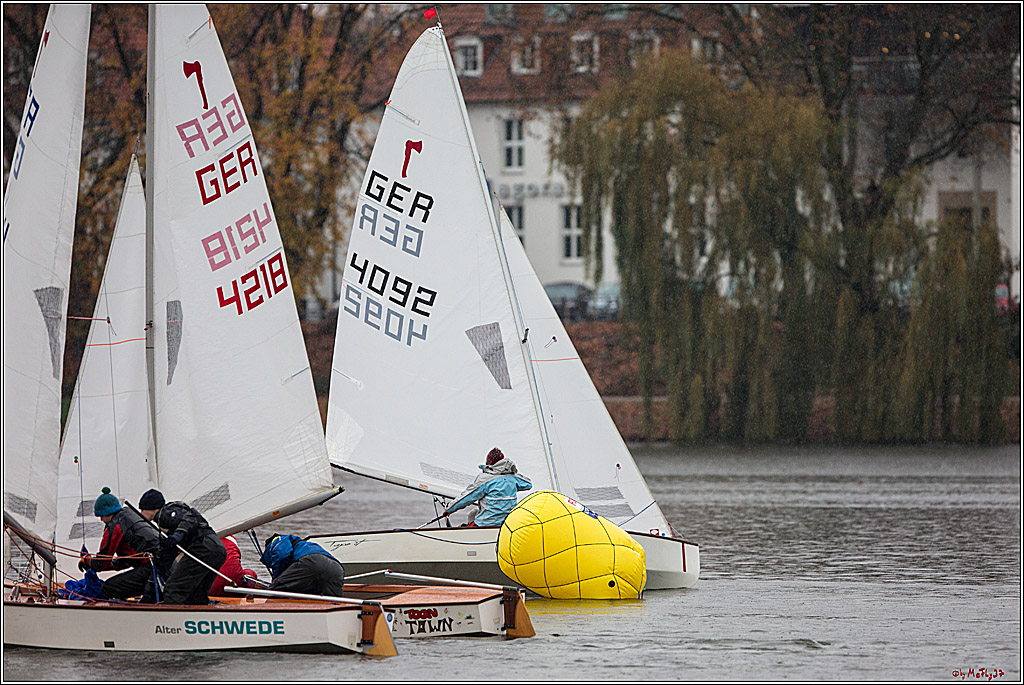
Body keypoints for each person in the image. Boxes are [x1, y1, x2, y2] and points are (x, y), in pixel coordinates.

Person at [79, 486, 163, 601]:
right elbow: (127, 560)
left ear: (107, 513)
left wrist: (87, 560)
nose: (101, 520)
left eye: (101, 516)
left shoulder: (115, 525)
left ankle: (119, 615)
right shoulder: (130, 515)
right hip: (162, 565)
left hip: (151, 567)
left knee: (108, 588)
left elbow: (102, 562)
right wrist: (105, 563)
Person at [148, 490, 227, 605]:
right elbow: (167, 554)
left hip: (203, 548)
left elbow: (189, 517)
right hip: (217, 549)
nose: (140, 512)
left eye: (142, 509)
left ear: (150, 509)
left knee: (173, 589)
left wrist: (179, 534)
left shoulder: (166, 512)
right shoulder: (162, 524)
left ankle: (171, 620)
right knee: (197, 594)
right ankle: (199, 617)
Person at [444, 448, 532, 527]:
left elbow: (467, 497)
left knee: (472, 516)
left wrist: (449, 510)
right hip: (507, 524)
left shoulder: (485, 480)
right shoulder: (513, 478)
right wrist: (511, 474)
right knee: (473, 513)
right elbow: (528, 484)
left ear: (489, 462)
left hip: (486, 524)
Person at [260, 534, 345, 597]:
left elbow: (281, 555)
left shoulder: (278, 540)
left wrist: (276, 579)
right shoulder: (303, 544)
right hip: (336, 568)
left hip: (311, 563)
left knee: (275, 592)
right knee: (334, 602)